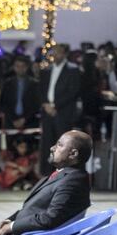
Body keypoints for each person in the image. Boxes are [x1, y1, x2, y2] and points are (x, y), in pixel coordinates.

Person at [39, 44, 81, 175]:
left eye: (59, 52)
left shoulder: (73, 70)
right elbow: (41, 90)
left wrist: (55, 106)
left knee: (63, 144)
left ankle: (63, 172)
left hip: (62, 112)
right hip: (47, 111)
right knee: (47, 143)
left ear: (65, 54)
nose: (56, 55)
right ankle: (46, 174)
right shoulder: (47, 70)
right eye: (54, 52)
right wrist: (45, 104)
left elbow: (73, 92)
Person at [0, 55, 41, 130]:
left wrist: (24, 119)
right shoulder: (7, 84)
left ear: (27, 67)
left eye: (23, 66)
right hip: (10, 122)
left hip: (30, 122)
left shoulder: (34, 84)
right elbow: (3, 103)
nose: (20, 69)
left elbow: (36, 104)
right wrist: (13, 119)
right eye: (17, 66)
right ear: (13, 67)